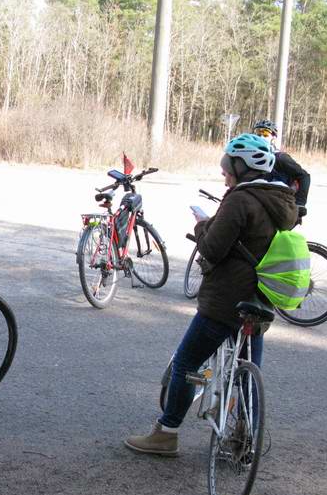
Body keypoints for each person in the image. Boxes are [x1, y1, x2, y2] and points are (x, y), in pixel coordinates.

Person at [125, 134, 298, 455]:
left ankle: (166, 434)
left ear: (241, 166)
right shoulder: (282, 202)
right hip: (259, 301)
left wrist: (203, 224)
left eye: (228, 166)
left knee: (187, 363)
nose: (223, 173)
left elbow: (213, 248)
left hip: (225, 301)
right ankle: (247, 440)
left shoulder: (240, 200)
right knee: (249, 375)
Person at [253, 119, 311, 219]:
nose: (261, 137)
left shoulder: (280, 158)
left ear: (273, 138)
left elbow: (304, 176)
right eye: (258, 134)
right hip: (259, 206)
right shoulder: (251, 157)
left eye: (266, 134)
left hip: (280, 208)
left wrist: (300, 204)